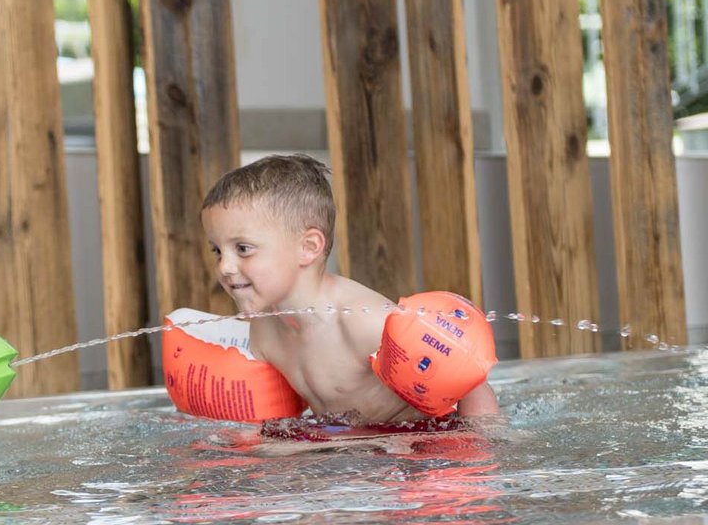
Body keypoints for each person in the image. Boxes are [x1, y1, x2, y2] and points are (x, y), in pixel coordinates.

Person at [201, 154, 500, 425]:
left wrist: (478, 454)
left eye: (242, 249)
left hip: (418, 447)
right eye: (217, 250)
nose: (225, 267)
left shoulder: (364, 323)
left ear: (308, 247)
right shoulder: (264, 330)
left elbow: (467, 378)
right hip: (351, 447)